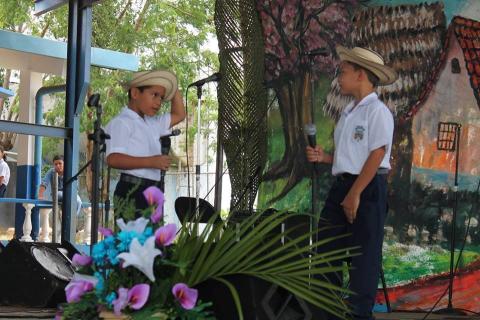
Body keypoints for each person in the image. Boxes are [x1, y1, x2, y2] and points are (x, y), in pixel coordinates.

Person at [306, 46, 397, 320]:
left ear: (360, 74)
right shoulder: (347, 112)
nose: (338, 78)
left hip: (367, 188)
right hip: (343, 185)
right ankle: (327, 312)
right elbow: (353, 155)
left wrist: (355, 193)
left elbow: (377, 153)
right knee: (326, 251)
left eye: (343, 72)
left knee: (363, 258)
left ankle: (359, 316)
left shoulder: (378, 111)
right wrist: (326, 158)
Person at [105, 70, 186, 218]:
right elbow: (113, 159)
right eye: (154, 95)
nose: (158, 102)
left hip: (153, 189)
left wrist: (173, 87)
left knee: (151, 240)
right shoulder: (122, 122)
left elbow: (179, 114)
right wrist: (151, 162)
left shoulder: (152, 123)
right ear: (135, 93)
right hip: (132, 190)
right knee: (134, 240)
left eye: (161, 97)